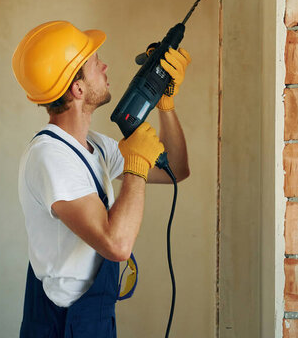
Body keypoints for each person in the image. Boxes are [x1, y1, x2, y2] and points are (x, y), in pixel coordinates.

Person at [12, 20, 191, 337]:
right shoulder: (50, 157)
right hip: (62, 325)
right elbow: (117, 244)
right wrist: (135, 164)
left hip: (94, 319)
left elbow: (174, 169)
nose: (104, 66)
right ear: (77, 88)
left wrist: (166, 104)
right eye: (95, 64)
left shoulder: (95, 146)